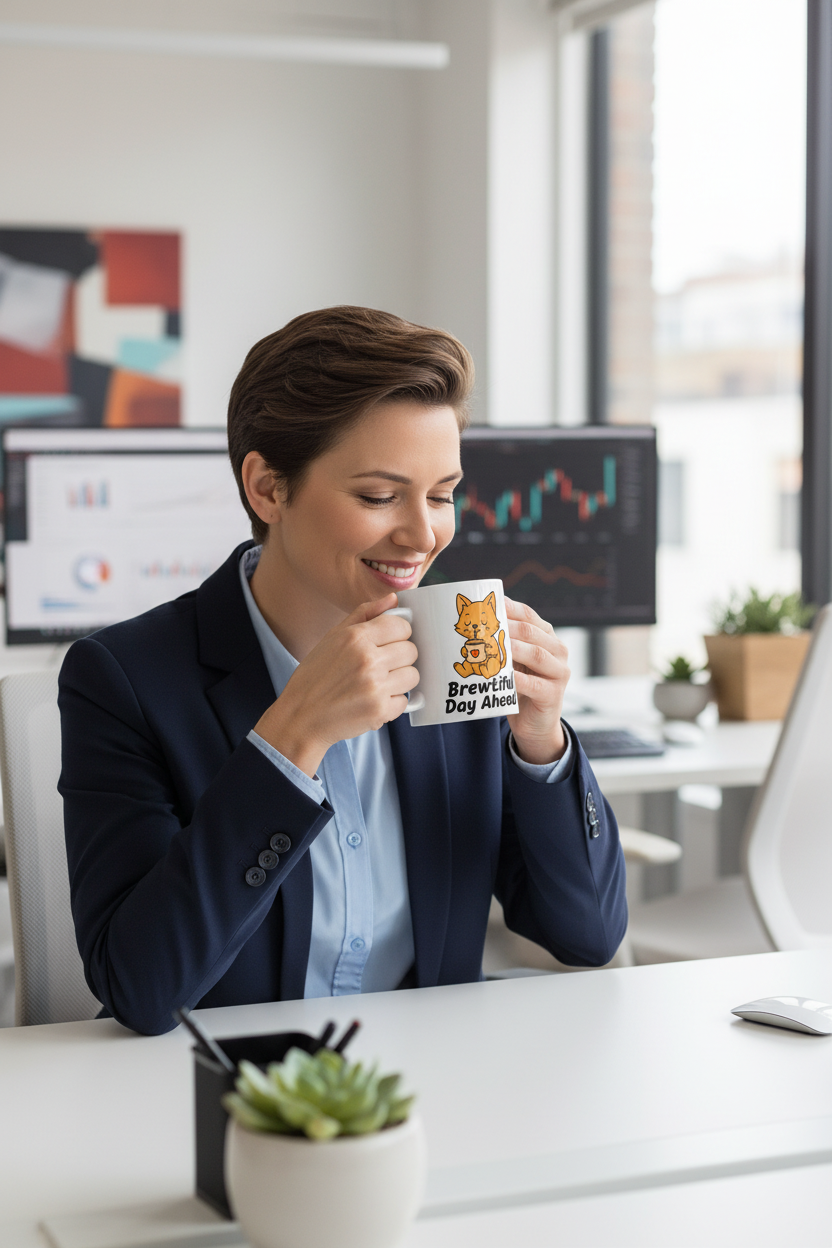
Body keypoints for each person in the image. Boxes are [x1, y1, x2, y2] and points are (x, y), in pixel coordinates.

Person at [58, 306, 627, 1036]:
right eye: (378, 496)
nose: (423, 535)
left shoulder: (456, 655)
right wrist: (289, 743)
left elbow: (587, 936)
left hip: (431, 1090)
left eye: (442, 494)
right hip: (233, 1097)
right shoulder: (124, 679)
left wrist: (542, 744)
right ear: (267, 489)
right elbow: (140, 987)